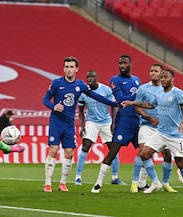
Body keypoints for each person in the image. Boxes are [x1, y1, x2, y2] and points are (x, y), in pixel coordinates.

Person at [42, 56, 117, 193]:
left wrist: (113, 103)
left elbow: (95, 96)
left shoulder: (80, 85)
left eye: (71, 67)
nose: (69, 70)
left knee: (69, 153)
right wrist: (53, 107)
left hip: (69, 124)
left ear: (76, 69)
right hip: (56, 122)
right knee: (53, 150)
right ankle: (47, 183)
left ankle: (63, 183)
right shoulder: (56, 83)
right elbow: (45, 99)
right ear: (63, 68)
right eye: (66, 67)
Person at [121, 69, 183, 194]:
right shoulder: (159, 92)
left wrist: (182, 123)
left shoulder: (178, 93)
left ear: (172, 79)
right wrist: (133, 102)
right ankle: (155, 182)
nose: (163, 80)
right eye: (162, 78)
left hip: (175, 135)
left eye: (165, 77)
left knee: (180, 162)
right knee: (144, 155)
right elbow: (150, 105)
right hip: (160, 133)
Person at [91, 54, 141, 194]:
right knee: (113, 151)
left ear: (130, 64)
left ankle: (141, 183)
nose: (121, 66)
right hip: (124, 120)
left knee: (145, 152)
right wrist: (138, 96)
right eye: (119, 63)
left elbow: (138, 100)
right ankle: (98, 183)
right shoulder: (115, 80)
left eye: (124, 63)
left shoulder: (137, 80)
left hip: (137, 119)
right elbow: (120, 99)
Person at [130, 64, 176, 193]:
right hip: (146, 125)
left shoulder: (167, 90)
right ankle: (135, 183)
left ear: (162, 74)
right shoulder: (143, 88)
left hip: (163, 128)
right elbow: (137, 106)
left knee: (167, 154)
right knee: (143, 152)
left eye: (156, 71)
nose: (153, 73)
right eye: (151, 71)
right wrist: (149, 117)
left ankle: (165, 183)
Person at [74, 70, 125, 186]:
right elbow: (81, 111)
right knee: (85, 146)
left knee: (113, 149)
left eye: (92, 76)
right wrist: (82, 126)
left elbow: (113, 106)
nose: (89, 79)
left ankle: (115, 177)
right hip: (92, 122)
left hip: (106, 122)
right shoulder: (84, 92)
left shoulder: (106, 90)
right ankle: (78, 177)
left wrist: (113, 123)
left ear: (96, 78)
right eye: (88, 77)